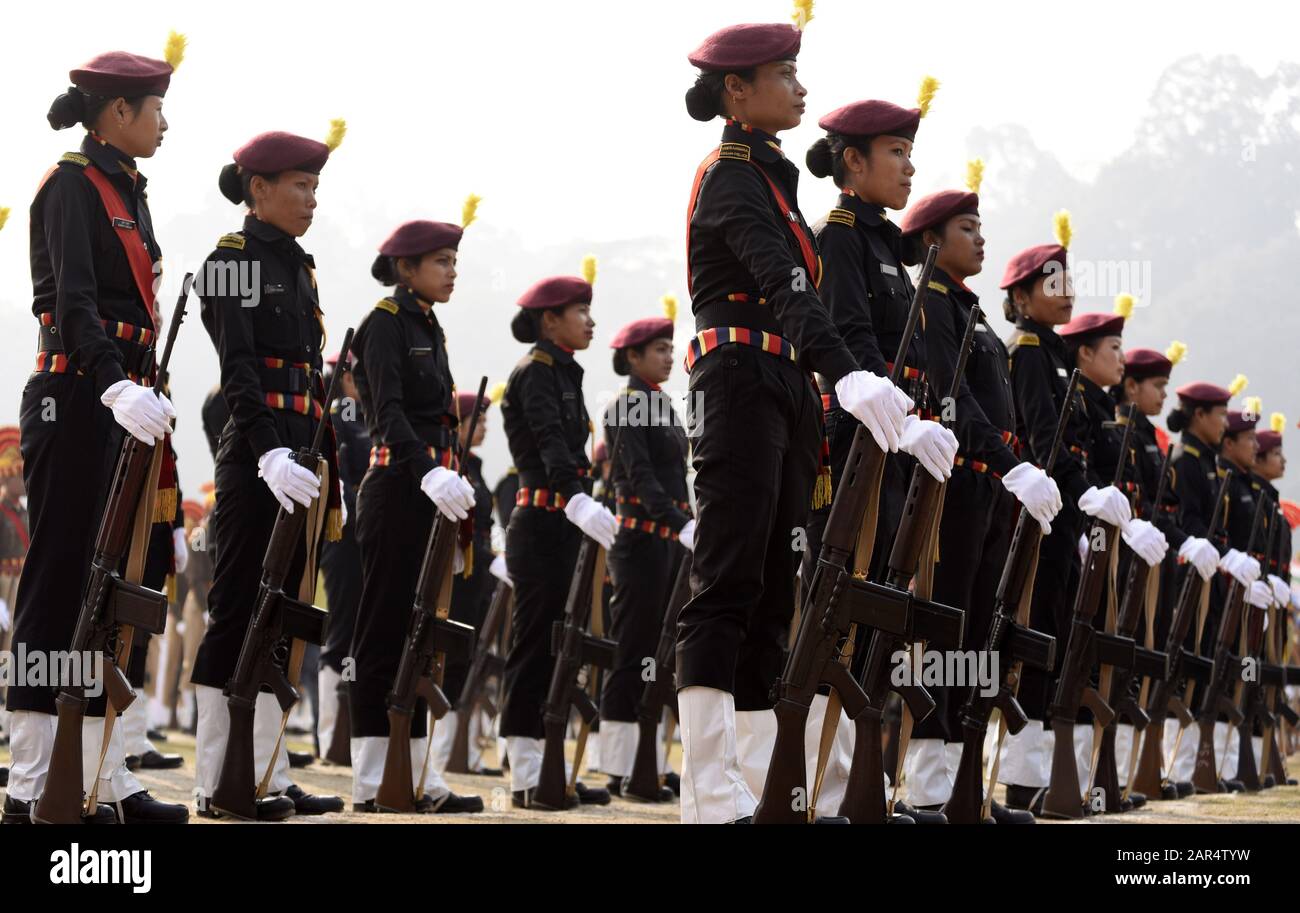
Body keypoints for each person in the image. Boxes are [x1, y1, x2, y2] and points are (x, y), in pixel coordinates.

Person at [677, 15, 937, 824]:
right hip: (738, 378)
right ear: (737, 90)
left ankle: (759, 785)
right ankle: (706, 791)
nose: (801, 89)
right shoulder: (730, 176)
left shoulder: (774, 178)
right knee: (724, 583)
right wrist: (851, 373)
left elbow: (797, 295)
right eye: (785, 74)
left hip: (781, 385)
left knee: (766, 594)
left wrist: (830, 378)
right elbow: (788, 289)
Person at [5, 38, 189, 825]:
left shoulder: (130, 190)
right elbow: (75, 301)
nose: (164, 123)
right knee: (57, 578)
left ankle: (106, 777)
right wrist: (115, 381)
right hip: (76, 398)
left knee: (114, 587)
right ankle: (31, 779)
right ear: (118, 111)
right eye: (156, 109)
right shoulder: (72, 188)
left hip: (119, 401)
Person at [190, 125, 349, 821]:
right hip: (259, 454)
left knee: (283, 610)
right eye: (300, 185)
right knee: (236, 608)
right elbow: (239, 368)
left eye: (316, 186)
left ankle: (268, 772)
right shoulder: (231, 258)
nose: (312, 198)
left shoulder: (298, 262)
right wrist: (265, 451)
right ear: (258, 189)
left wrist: (303, 453)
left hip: (299, 451)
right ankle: (216, 776)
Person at [895, 175, 1060, 823]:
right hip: (954, 484)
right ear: (932, 239)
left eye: (981, 226)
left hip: (988, 487)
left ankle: (966, 784)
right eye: (967, 228)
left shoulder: (971, 314)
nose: (981, 237)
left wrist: (1012, 473)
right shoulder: (930, 307)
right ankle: (931, 786)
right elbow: (952, 401)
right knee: (947, 627)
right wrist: (1011, 464)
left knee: (979, 631)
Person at [348, 214, 485, 814]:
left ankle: (418, 776)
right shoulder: (384, 324)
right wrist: (428, 469)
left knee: (421, 634)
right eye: (442, 262)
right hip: (399, 489)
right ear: (407, 268)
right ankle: (374, 777)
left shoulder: (428, 324)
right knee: (382, 630)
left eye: (454, 261)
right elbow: (389, 412)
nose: (452, 272)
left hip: (431, 492)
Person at [996, 215, 1130, 816]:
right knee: (1034, 640)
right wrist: (1080, 494)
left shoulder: (1054, 355)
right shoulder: (1027, 351)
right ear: (1021, 297)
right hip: (1036, 514)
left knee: (1060, 638)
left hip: (1061, 514)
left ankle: (1047, 775)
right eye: (1053, 283)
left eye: (1068, 280)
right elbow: (1043, 438)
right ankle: (1022, 780)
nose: (1067, 290)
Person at [499, 264, 618, 809]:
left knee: (559, 644)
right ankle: (524, 770)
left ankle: (550, 764)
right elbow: (549, 443)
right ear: (551, 321)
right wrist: (575, 496)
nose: (590, 323)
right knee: (532, 645)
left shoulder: (565, 370)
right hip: (543, 521)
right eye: (581, 313)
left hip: (562, 522)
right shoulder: (536, 372)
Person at [598, 301, 693, 799]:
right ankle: (618, 765)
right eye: (659, 349)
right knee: (633, 649)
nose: (668, 356)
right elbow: (641, 478)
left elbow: (677, 477)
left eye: (670, 348)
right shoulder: (628, 405)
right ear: (632, 357)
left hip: (666, 544)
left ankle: (648, 761)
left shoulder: (661, 404)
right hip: (639, 541)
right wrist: (681, 522)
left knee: (660, 655)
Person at [429, 388, 503, 777]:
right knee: (448, 658)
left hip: (478, 575)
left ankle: (460, 752)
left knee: (468, 661)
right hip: (454, 576)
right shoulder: (447, 466)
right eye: (478, 418)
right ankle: (440, 752)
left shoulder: (473, 466)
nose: (484, 426)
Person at [317, 353, 367, 764]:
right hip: (343, 536)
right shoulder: (336, 419)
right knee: (341, 631)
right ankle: (330, 734)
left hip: (368, 538)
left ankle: (349, 732)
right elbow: (342, 479)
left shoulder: (363, 418)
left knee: (358, 635)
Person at [0, 427, 29, 790]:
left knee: (12, 658)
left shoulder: (22, 512)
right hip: (1, 585)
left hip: (18, 585)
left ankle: (8, 725)